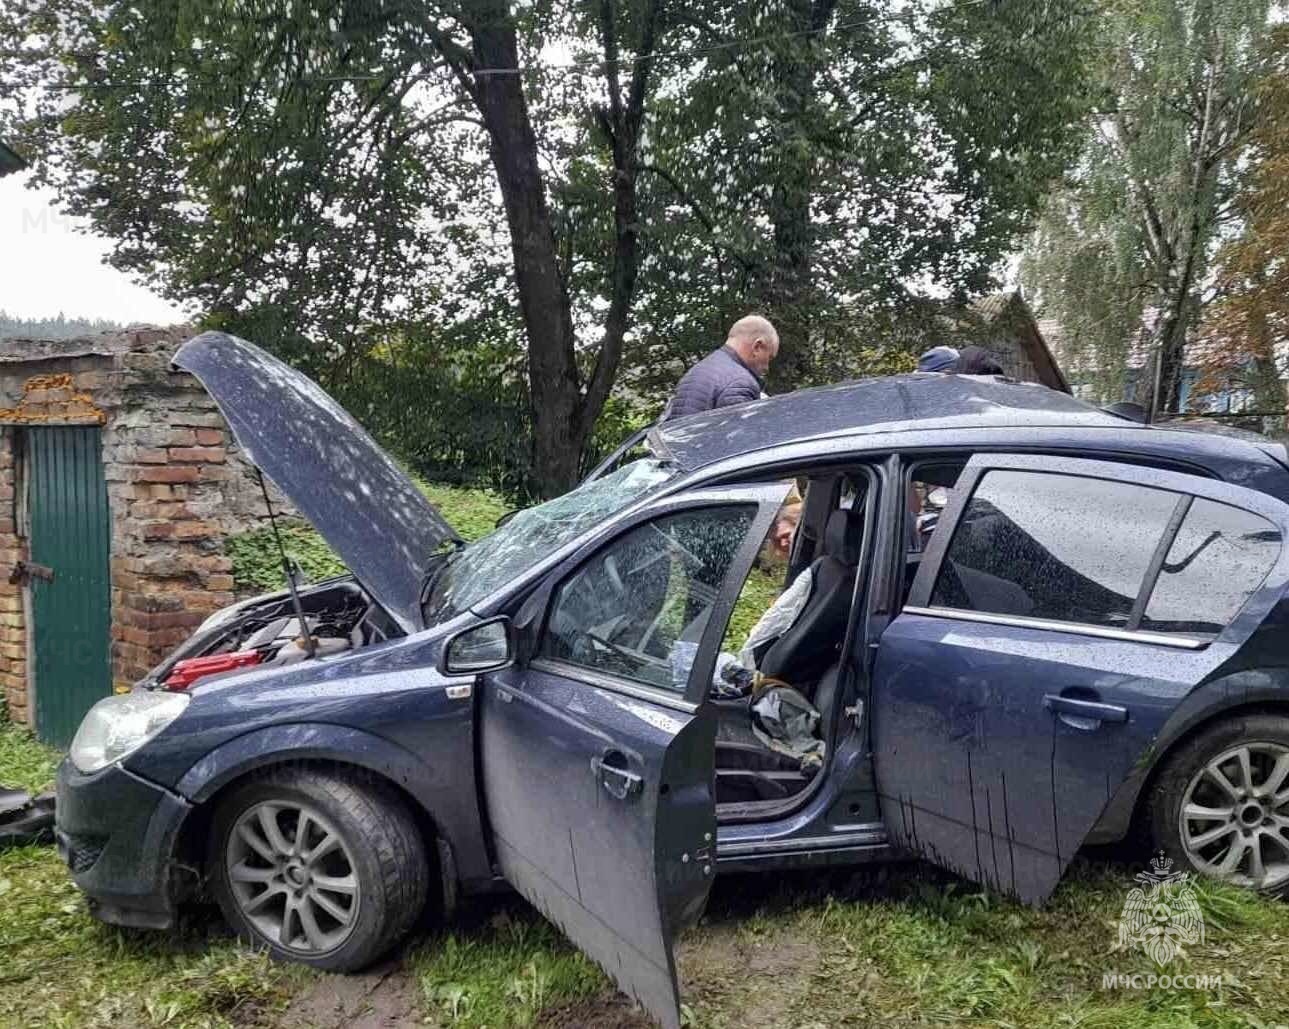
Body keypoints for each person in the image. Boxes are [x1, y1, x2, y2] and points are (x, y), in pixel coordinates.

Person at [664, 314, 779, 420]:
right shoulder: (740, 383)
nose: (767, 367)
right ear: (757, 347)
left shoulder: (698, 370)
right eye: (769, 357)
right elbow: (741, 438)